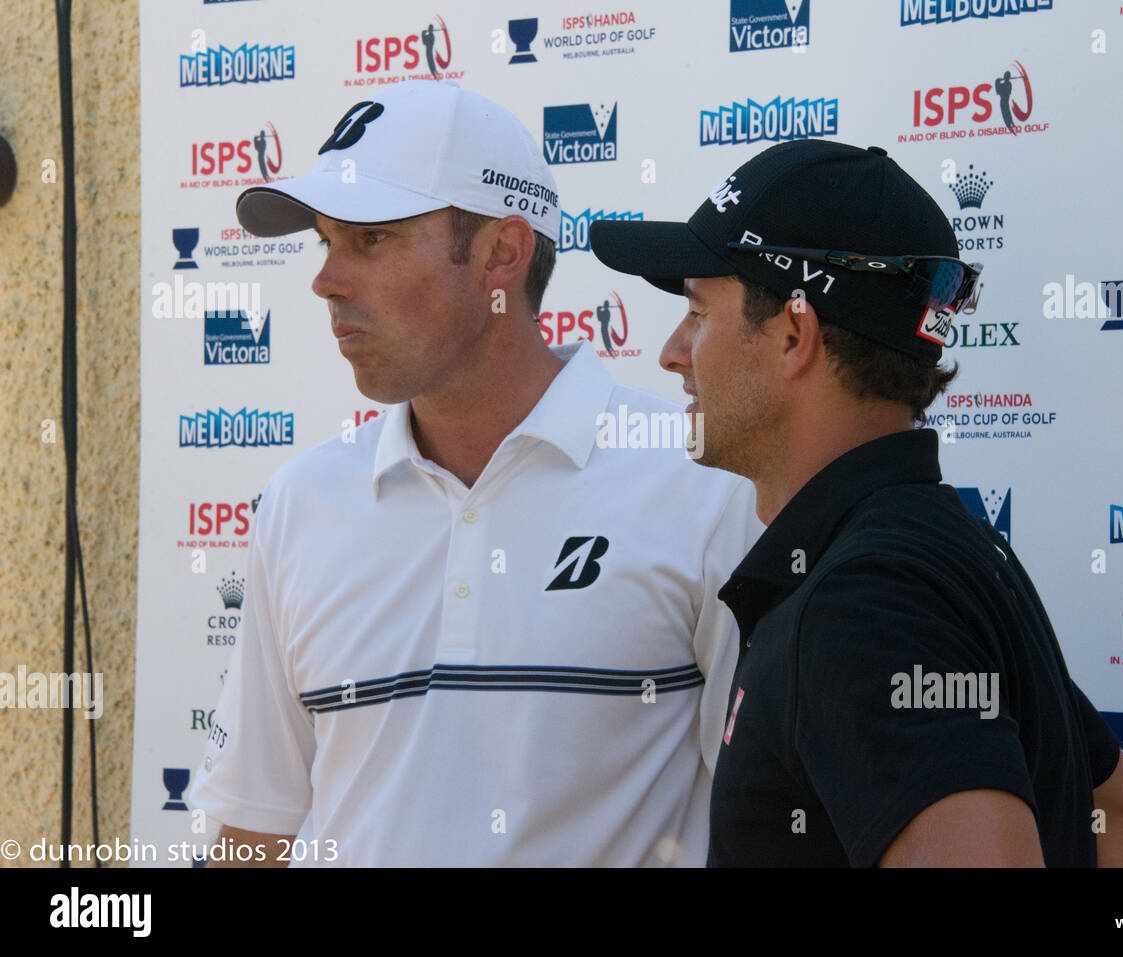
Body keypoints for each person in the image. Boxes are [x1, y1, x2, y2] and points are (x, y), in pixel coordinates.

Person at [189, 79, 760, 866]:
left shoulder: (705, 484)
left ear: (502, 253)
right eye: (326, 242)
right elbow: (257, 828)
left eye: (372, 240)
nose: (326, 280)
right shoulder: (300, 503)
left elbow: (767, 818)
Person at [589, 139, 1123, 866]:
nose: (671, 351)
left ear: (795, 333)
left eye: (698, 312)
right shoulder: (946, 551)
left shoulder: (863, 600)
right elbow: (1121, 809)